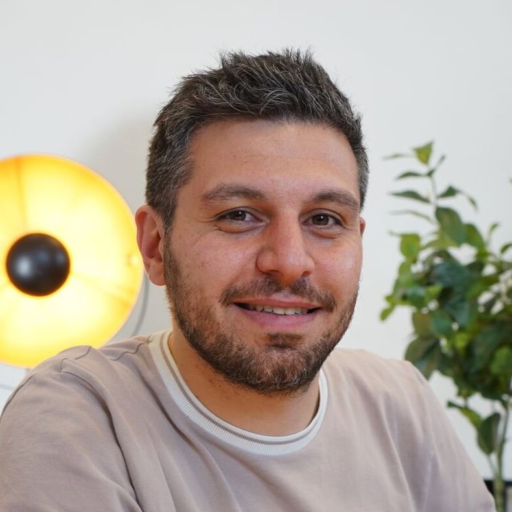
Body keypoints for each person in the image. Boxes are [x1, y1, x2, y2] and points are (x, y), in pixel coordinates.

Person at [0, 50, 494, 511]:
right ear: (155, 245)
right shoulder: (78, 417)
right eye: (239, 215)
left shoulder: (401, 404)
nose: (289, 262)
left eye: (324, 219)